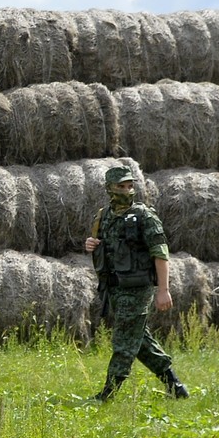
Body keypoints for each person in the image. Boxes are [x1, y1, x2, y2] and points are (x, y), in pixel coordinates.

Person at [84, 164, 189, 402]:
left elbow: (160, 254)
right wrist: (91, 245)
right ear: (109, 188)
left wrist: (163, 290)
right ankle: (176, 387)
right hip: (115, 289)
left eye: (130, 186)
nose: (127, 190)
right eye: (121, 186)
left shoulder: (145, 217)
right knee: (139, 340)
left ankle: (107, 395)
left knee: (123, 341)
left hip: (138, 289)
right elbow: (103, 247)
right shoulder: (103, 217)